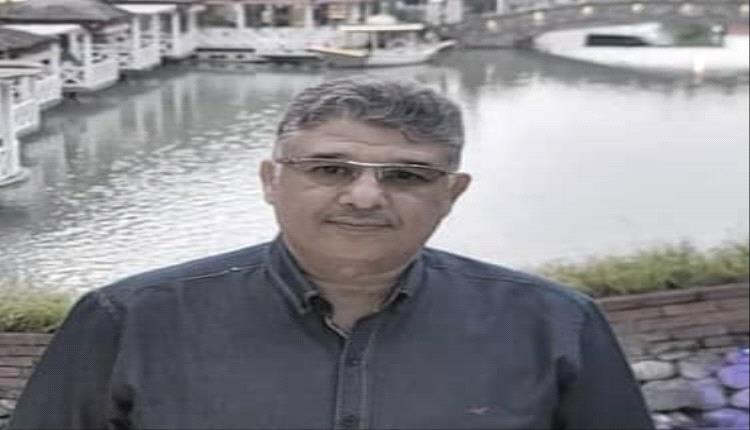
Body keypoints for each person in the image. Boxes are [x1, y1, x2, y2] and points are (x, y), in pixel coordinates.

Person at [9, 77, 654, 429]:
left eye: (406, 176)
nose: (365, 197)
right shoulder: (129, 320)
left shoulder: (553, 324)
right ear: (271, 180)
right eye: (330, 169)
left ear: (452, 193)